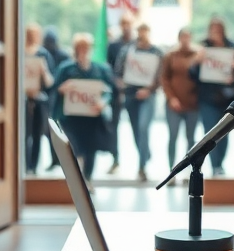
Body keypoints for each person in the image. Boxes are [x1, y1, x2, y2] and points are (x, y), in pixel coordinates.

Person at [49, 33, 116, 179]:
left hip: (92, 117)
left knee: (90, 149)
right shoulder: (66, 69)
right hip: (71, 118)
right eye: (80, 48)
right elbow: (53, 88)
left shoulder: (100, 69)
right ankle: (77, 178)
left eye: (86, 48)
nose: (84, 51)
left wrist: (103, 102)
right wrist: (62, 88)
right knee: (74, 147)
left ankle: (88, 179)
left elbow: (109, 91)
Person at [189, 16, 234, 176]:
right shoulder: (203, 47)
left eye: (218, 30)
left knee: (224, 132)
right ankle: (215, 166)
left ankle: (220, 163)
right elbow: (192, 74)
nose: (216, 33)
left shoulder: (232, 47)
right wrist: (196, 61)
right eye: (213, 30)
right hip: (207, 98)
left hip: (227, 98)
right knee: (210, 132)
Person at [116, 23, 164, 181]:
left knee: (143, 127)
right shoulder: (127, 51)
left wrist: (149, 90)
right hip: (130, 94)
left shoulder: (157, 52)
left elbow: (160, 76)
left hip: (148, 95)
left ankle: (142, 166)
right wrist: (121, 85)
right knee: (136, 130)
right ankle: (145, 153)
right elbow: (118, 72)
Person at [160, 27, 201, 172]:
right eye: (183, 37)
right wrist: (171, 98)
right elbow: (164, 79)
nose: (185, 40)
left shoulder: (197, 55)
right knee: (173, 136)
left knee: (191, 138)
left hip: (192, 104)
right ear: (179, 38)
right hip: (174, 104)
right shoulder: (171, 55)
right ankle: (172, 168)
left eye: (188, 37)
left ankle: (190, 170)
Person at [104, 13, 135, 174]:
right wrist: (116, 82)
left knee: (138, 128)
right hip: (117, 93)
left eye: (128, 23)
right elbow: (109, 69)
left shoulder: (137, 44)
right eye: (123, 24)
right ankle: (115, 158)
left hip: (134, 93)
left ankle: (142, 163)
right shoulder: (113, 45)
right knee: (113, 127)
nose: (126, 27)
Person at [22, 22, 55, 175]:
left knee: (37, 134)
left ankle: (33, 167)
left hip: (38, 100)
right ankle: (24, 165)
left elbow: (50, 82)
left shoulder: (43, 54)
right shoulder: (19, 52)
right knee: (23, 134)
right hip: (23, 99)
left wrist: (43, 70)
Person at [40, 27, 71, 170]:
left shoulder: (63, 56)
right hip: (48, 95)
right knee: (49, 130)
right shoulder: (43, 54)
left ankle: (62, 159)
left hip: (60, 96)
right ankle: (54, 159)